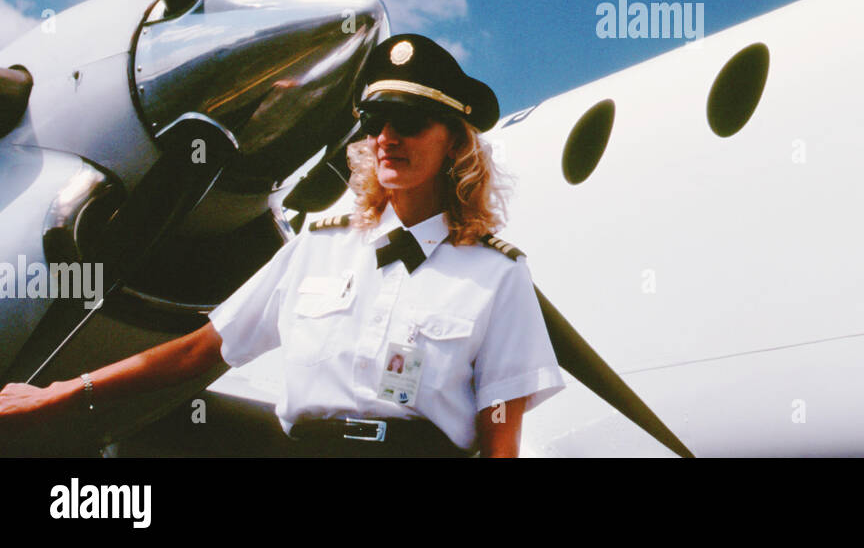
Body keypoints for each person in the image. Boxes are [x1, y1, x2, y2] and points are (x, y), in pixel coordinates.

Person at [0, 34, 564, 457]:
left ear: (454, 141)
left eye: (410, 119)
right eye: (375, 118)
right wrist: (65, 393)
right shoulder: (315, 249)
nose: (388, 136)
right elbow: (201, 350)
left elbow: (500, 440)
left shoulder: (499, 276)